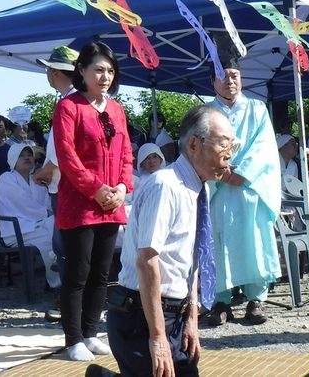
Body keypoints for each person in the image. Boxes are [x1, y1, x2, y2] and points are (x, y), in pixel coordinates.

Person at [105, 105, 233, 377]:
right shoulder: (165, 186)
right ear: (194, 144)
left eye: (232, 145)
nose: (229, 154)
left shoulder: (199, 189)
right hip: (140, 317)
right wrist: (158, 337)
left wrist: (192, 318)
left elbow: (192, 257)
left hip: (176, 315)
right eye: (223, 144)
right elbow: (147, 260)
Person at [52, 41, 134, 361]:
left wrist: (122, 188)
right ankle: (73, 338)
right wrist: (97, 189)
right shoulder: (68, 107)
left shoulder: (116, 109)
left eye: (110, 71)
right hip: (80, 204)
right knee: (77, 274)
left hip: (111, 204)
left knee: (102, 273)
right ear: (82, 71)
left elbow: (126, 152)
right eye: (98, 69)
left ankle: (90, 332)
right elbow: (67, 157)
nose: (105, 76)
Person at [205, 48, 282, 327]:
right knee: (218, 243)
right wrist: (221, 173)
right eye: (223, 76)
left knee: (255, 242)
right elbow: (197, 148)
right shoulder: (206, 113)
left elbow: (264, 148)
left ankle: (256, 300)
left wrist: (244, 174)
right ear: (213, 81)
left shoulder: (257, 109)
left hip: (250, 190)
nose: (230, 81)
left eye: (235, 75)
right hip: (218, 191)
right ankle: (220, 301)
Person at [33, 46, 79, 285]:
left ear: (55, 71)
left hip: (65, 188)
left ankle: (69, 300)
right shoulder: (82, 102)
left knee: (65, 248)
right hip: (75, 186)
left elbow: (61, 154)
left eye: (49, 68)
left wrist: (42, 173)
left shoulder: (69, 105)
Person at [0, 143, 61, 289]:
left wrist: (49, 214)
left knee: (61, 230)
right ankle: (57, 283)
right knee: (51, 238)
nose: (27, 158)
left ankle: (65, 276)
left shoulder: (36, 179)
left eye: (29, 155)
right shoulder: (6, 179)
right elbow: (22, 204)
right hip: (16, 230)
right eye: (21, 156)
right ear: (13, 159)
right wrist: (46, 214)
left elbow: (48, 203)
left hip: (38, 225)